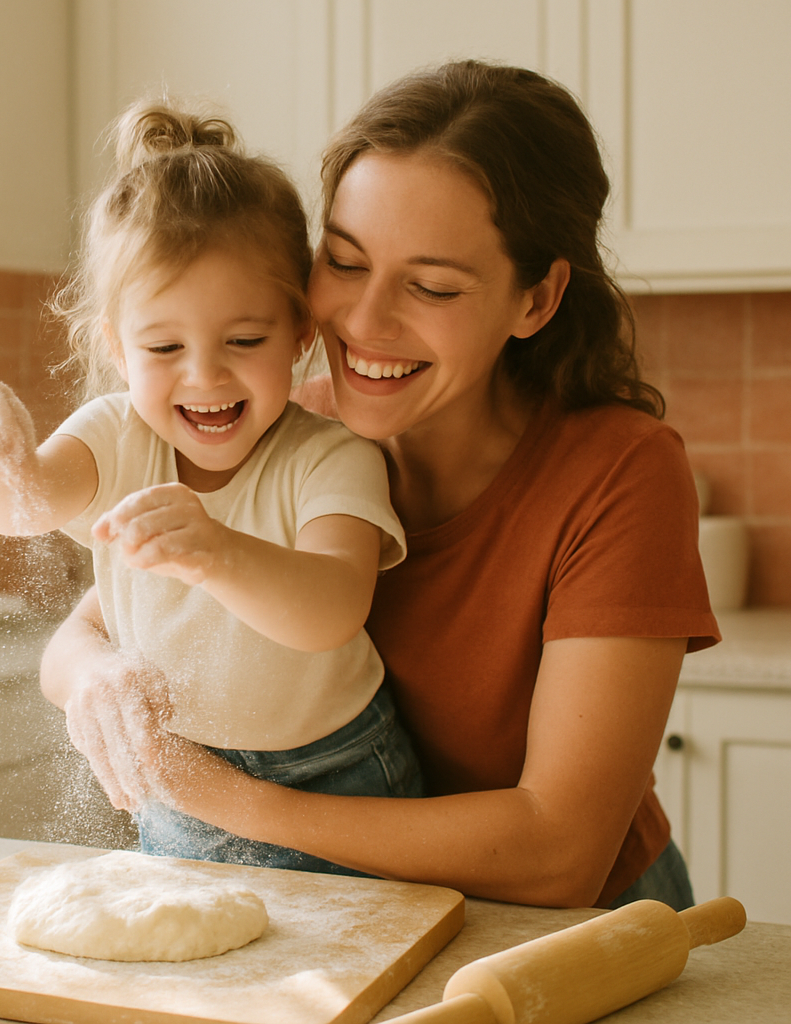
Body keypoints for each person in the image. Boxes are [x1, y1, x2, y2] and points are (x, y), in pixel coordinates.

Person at [37, 61, 721, 911]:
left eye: (431, 286)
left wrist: (224, 801)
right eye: (346, 262)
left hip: (576, 941)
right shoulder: (280, 430)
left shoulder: (619, 472)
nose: (362, 322)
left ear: (536, 299)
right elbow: (95, 625)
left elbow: (559, 853)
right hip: (365, 919)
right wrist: (94, 678)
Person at [0, 99, 421, 873]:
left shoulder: (329, 457)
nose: (205, 374)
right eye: (163, 345)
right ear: (117, 350)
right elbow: (23, 503)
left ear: (299, 333)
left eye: (245, 340)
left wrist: (217, 553)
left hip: (341, 783)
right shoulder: (114, 435)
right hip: (182, 789)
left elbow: (333, 607)